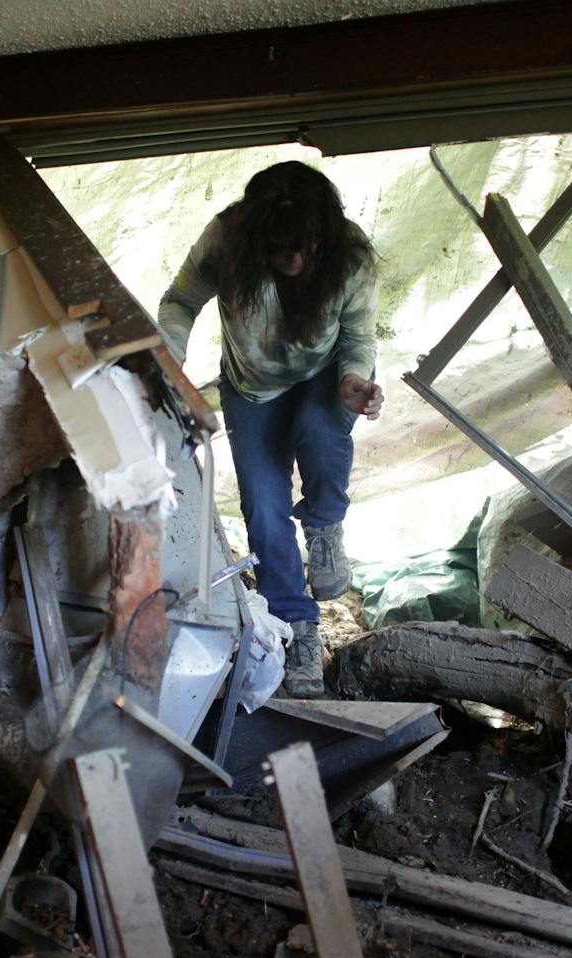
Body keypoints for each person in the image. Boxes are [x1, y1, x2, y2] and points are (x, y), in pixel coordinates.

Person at [159, 161, 382, 699]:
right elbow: (181, 301)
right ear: (257, 235)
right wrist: (165, 364)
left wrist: (355, 380)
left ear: (322, 236)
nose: (293, 259)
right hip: (251, 387)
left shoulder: (349, 255)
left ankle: (326, 528)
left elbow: (358, 335)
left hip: (324, 378)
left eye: (303, 247)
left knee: (321, 434)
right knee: (262, 507)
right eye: (280, 248)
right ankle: (296, 626)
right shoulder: (227, 239)